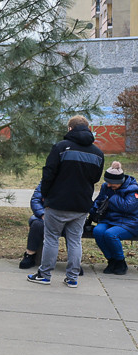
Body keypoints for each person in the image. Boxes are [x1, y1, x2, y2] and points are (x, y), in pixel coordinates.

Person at [28, 115, 104, 287]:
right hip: (81, 204)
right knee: (75, 241)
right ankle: (72, 278)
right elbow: (95, 178)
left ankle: (45, 275)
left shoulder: (61, 148)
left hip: (57, 203)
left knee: (52, 239)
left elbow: (48, 174)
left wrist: (46, 196)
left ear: (70, 128)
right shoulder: (98, 153)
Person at [91, 161, 138, 274]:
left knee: (111, 234)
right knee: (98, 231)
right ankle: (111, 261)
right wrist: (95, 208)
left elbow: (128, 207)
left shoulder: (133, 189)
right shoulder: (106, 187)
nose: (108, 185)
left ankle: (120, 261)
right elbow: (99, 201)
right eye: (107, 182)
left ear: (120, 182)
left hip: (129, 222)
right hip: (108, 219)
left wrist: (111, 197)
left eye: (111, 183)